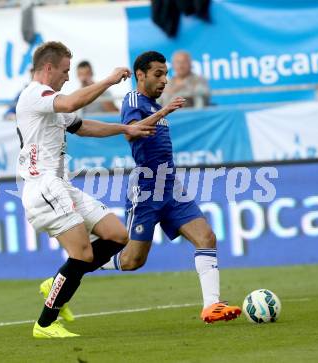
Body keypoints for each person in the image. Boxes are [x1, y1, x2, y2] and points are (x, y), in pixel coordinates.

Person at [16, 41, 155, 338]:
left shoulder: (49, 102)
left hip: (61, 185)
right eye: (65, 71)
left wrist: (126, 129)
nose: (68, 77)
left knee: (117, 235)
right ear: (48, 67)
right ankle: (45, 324)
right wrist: (106, 80)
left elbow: (81, 125)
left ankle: (56, 282)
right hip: (43, 186)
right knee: (81, 255)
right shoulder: (34, 95)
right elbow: (69, 104)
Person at [99, 51, 241, 324]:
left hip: (171, 187)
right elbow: (132, 130)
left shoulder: (155, 105)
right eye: (158, 74)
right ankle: (83, 264)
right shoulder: (133, 100)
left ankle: (212, 306)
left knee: (206, 238)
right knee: (132, 261)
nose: (164, 80)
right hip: (146, 190)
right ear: (140, 75)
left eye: (166, 74)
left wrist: (162, 110)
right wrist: (164, 111)